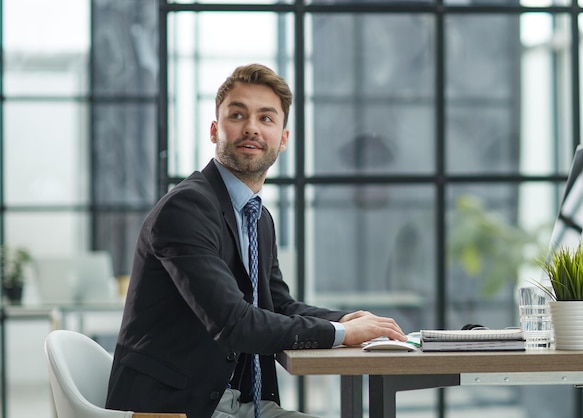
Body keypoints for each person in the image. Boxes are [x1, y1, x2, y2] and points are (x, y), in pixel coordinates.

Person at [105, 63, 406, 418]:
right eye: (237, 114)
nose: (251, 127)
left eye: (266, 118)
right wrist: (341, 332)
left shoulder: (257, 216)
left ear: (283, 139)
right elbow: (235, 323)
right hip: (174, 408)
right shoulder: (186, 208)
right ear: (216, 130)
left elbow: (277, 306)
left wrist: (348, 320)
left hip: (235, 403)